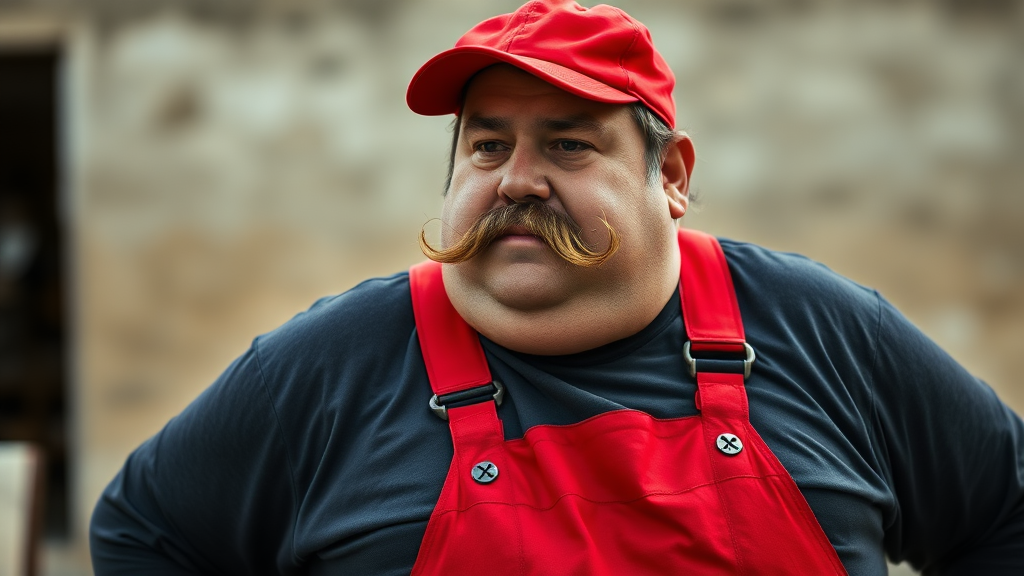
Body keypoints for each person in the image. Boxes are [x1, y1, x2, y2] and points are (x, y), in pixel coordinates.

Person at [90, 1, 1024, 574]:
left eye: (568, 144)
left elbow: (1003, 511)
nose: (517, 179)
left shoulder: (825, 331)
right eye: (488, 145)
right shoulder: (326, 366)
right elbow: (147, 536)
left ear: (673, 176)